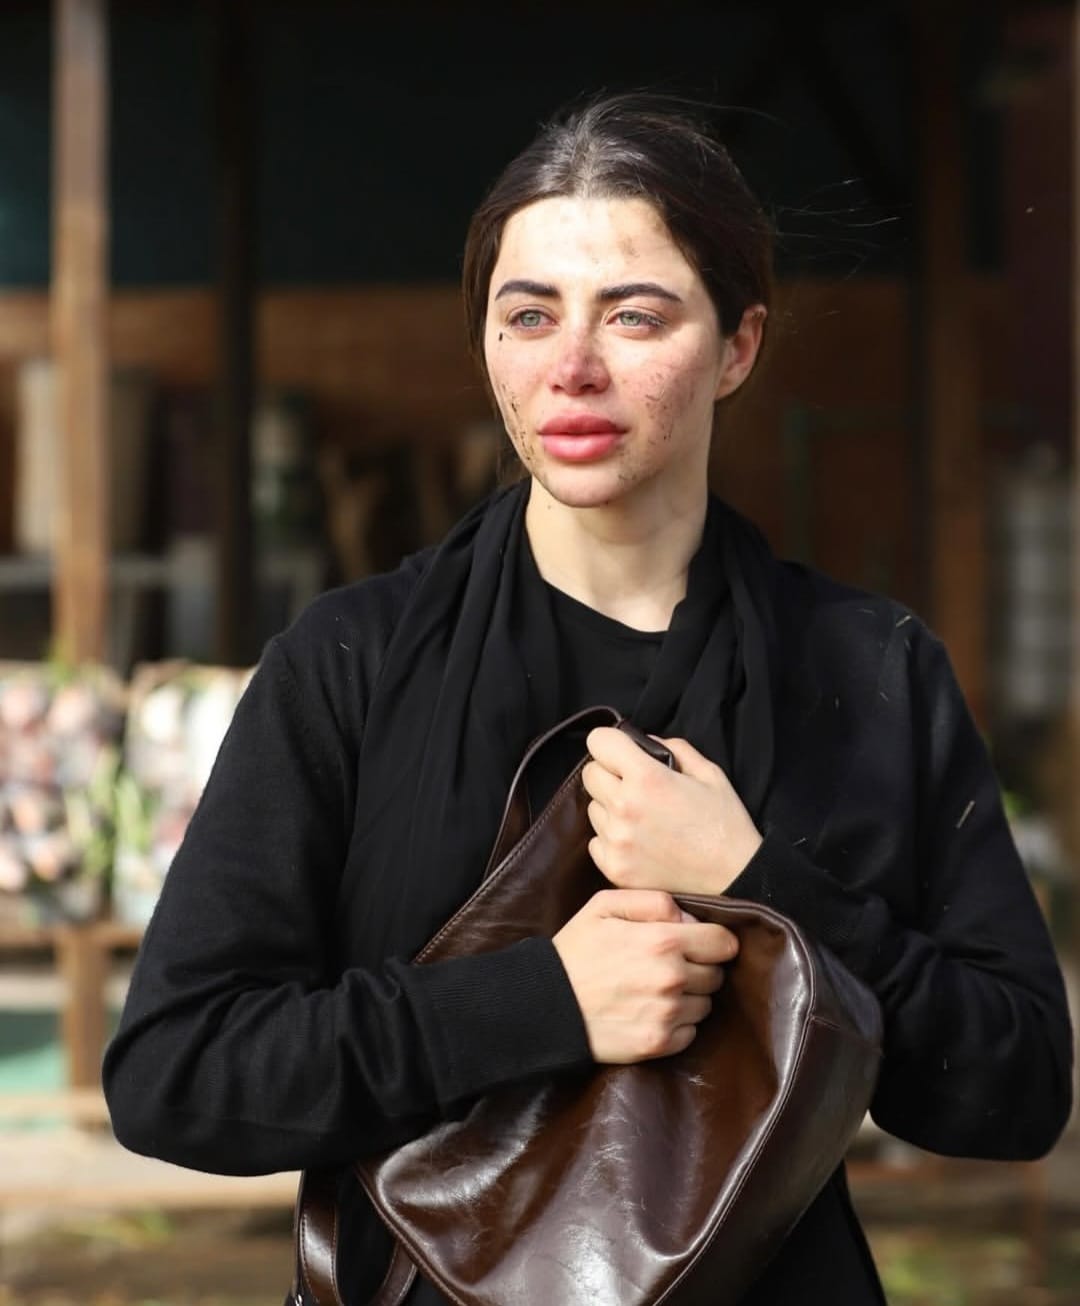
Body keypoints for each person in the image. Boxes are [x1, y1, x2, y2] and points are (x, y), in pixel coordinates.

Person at [103, 93, 1073, 1305]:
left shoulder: (870, 670)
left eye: (635, 315)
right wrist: (544, 1000)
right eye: (529, 315)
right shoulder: (351, 663)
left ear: (738, 347)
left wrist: (762, 885)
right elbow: (176, 1072)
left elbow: (1016, 1088)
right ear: (487, 345)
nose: (572, 366)